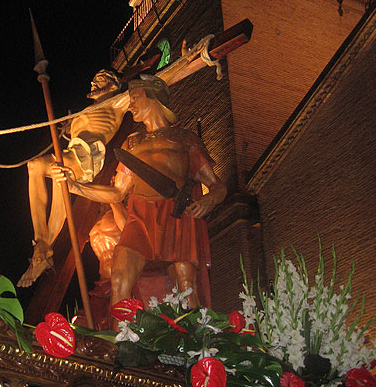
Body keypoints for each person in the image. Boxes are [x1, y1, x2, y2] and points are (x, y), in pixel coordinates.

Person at [51, 74, 226, 313]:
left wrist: (209, 199)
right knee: (120, 278)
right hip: (140, 217)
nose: (130, 104)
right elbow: (116, 192)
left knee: (185, 286)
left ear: (153, 98)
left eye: (135, 98)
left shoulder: (185, 139)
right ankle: (123, 342)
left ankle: (196, 344)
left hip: (175, 216)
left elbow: (217, 185)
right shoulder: (132, 144)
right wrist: (75, 186)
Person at [18, 69, 129, 287]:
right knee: (46, 178)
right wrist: (69, 127)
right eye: (93, 80)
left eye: (100, 81)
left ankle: (42, 243)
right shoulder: (89, 109)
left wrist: (197, 56)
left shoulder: (117, 102)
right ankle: (44, 246)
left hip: (86, 157)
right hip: (72, 152)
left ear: (114, 84)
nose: (93, 84)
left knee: (42, 168)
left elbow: (162, 80)